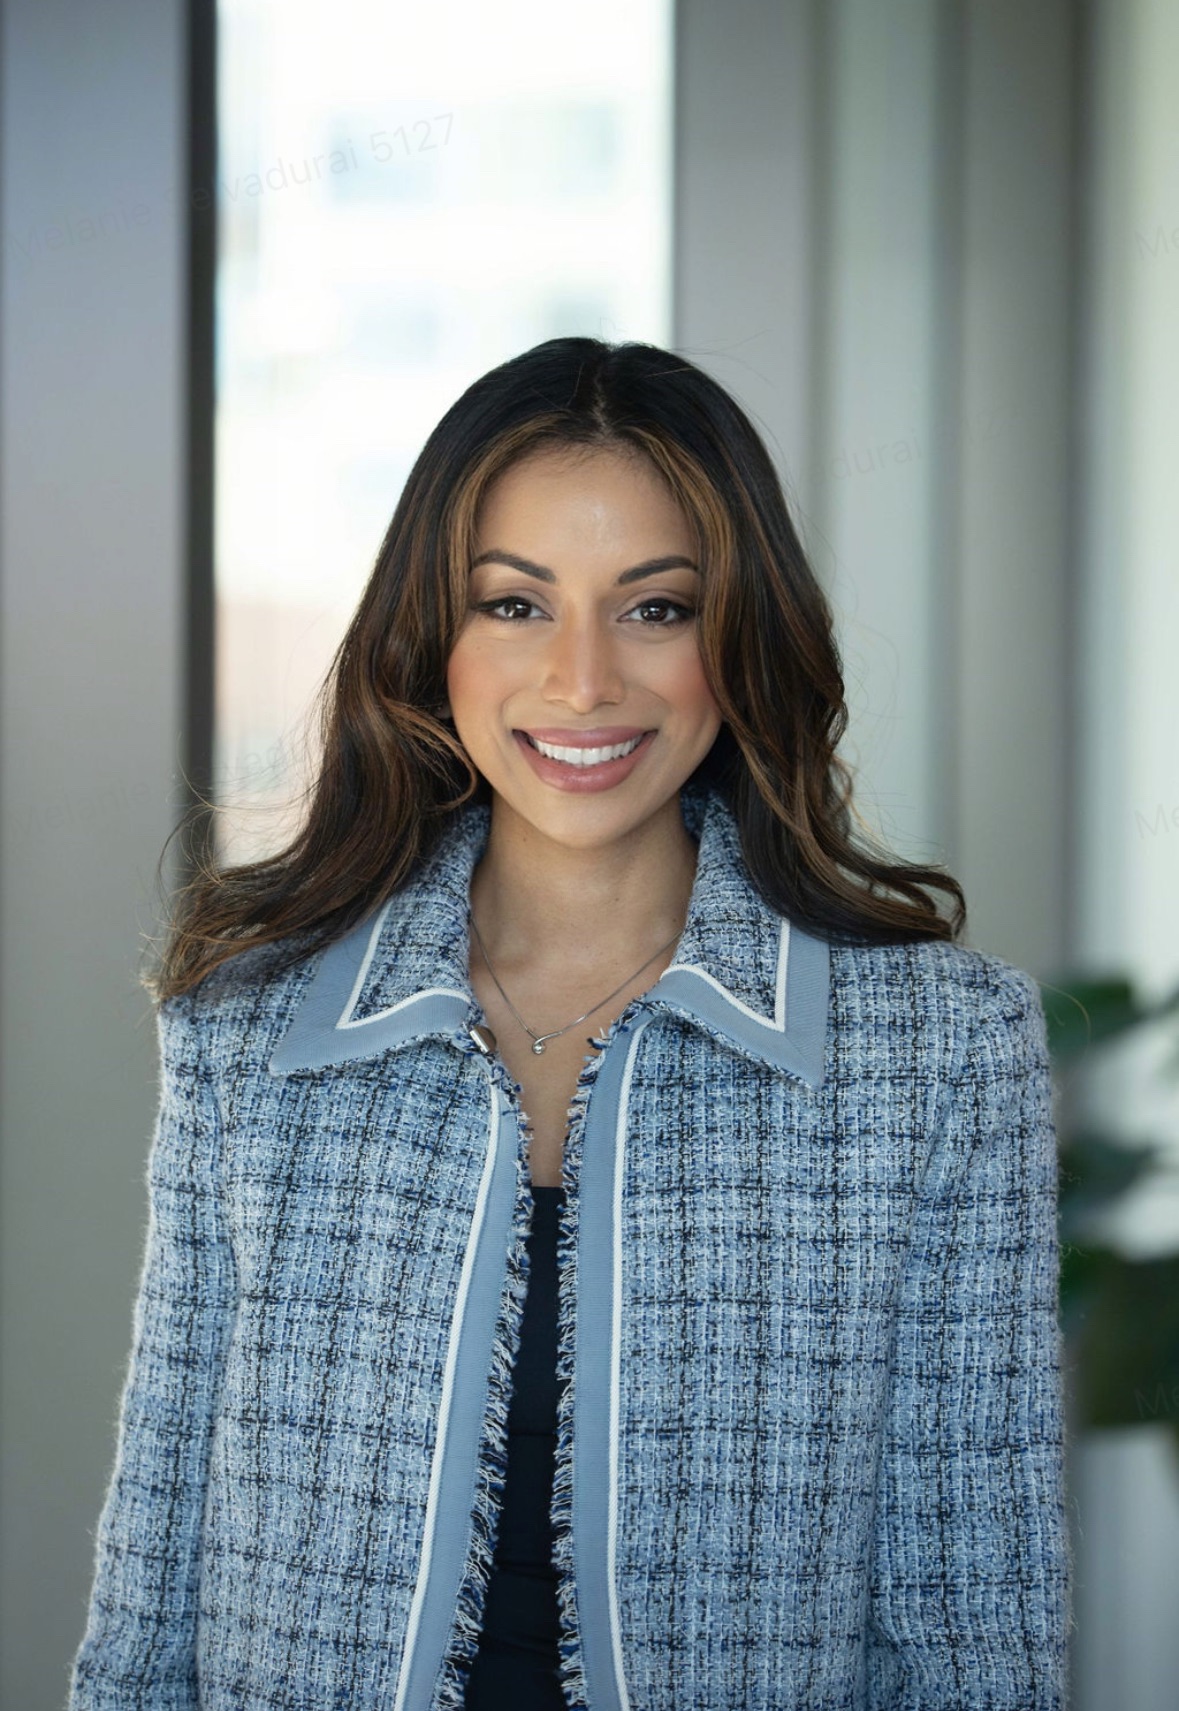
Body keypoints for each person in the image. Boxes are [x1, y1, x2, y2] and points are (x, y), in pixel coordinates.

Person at [69, 336, 1072, 1710]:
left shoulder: (942, 1052)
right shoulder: (254, 1026)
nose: (584, 679)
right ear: (433, 639)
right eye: (516, 605)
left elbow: (975, 1626)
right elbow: (155, 1581)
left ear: (740, 638)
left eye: (655, 608)